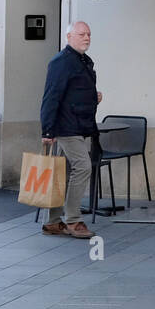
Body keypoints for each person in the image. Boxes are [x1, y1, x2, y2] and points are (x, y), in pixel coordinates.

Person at [39, 21, 102, 239]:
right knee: (83, 167)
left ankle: (53, 221)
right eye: (81, 34)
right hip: (66, 126)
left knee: (61, 172)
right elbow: (51, 96)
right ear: (69, 37)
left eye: (89, 34)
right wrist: (47, 131)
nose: (87, 38)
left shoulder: (83, 60)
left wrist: (93, 97)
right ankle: (74, 220)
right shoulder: (61, 62)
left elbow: (74, 92)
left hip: (78, 124)